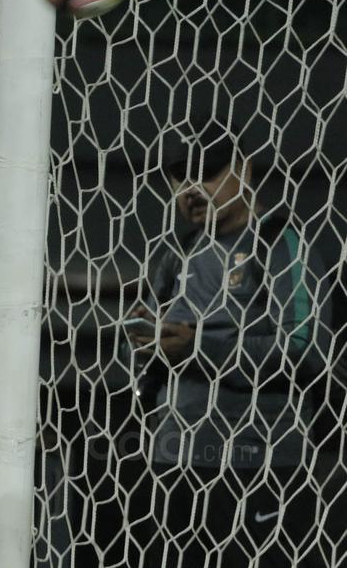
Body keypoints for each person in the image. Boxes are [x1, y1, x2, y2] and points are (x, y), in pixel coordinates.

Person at [119, 118, 331, 567]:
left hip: (259, 462)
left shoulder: (278, 240)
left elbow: (304, 349)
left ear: (246, 172)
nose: (192, 187)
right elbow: (151, 353)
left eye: (209, 172)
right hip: (176, 459)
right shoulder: (175, 255)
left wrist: (199, 349)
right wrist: (143, 344)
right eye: (180, 177)